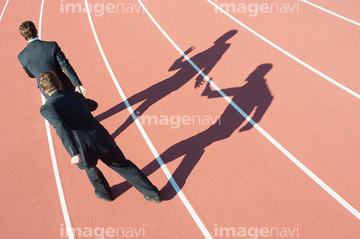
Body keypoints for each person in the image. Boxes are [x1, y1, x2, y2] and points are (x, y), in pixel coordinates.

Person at [39, 71, 162, 203]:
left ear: (44, 90)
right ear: (59, 83)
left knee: (92, 172)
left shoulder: (48, 108)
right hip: (100, 136)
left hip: (82, 147)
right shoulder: (75, 95)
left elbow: (61, 128)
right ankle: (153, 193)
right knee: (123, 165)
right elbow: (94, 105)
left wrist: (73, 153)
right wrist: (81, 99)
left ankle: (106, 195)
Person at [18, 21, 87, 99]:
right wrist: (77, 84)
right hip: (63, 85)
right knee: (78, 105)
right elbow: (65, 65)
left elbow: (31, 74)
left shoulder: (21, 57)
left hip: (46, 91)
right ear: (36, 30)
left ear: (22, 36)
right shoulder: (51, 46)